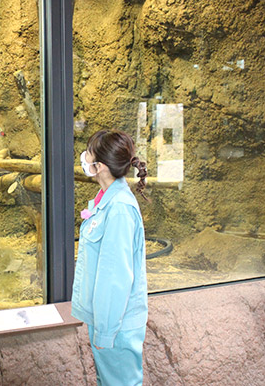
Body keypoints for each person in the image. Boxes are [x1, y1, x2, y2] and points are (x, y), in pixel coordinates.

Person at [71, 129, 148, 386]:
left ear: (100, 166)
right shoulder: (105, 200)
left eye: (88, 154)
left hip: (115, 326)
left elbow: (115, 279)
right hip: (105, 320)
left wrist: (104, 332)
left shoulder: (119, 209)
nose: (84, 158)